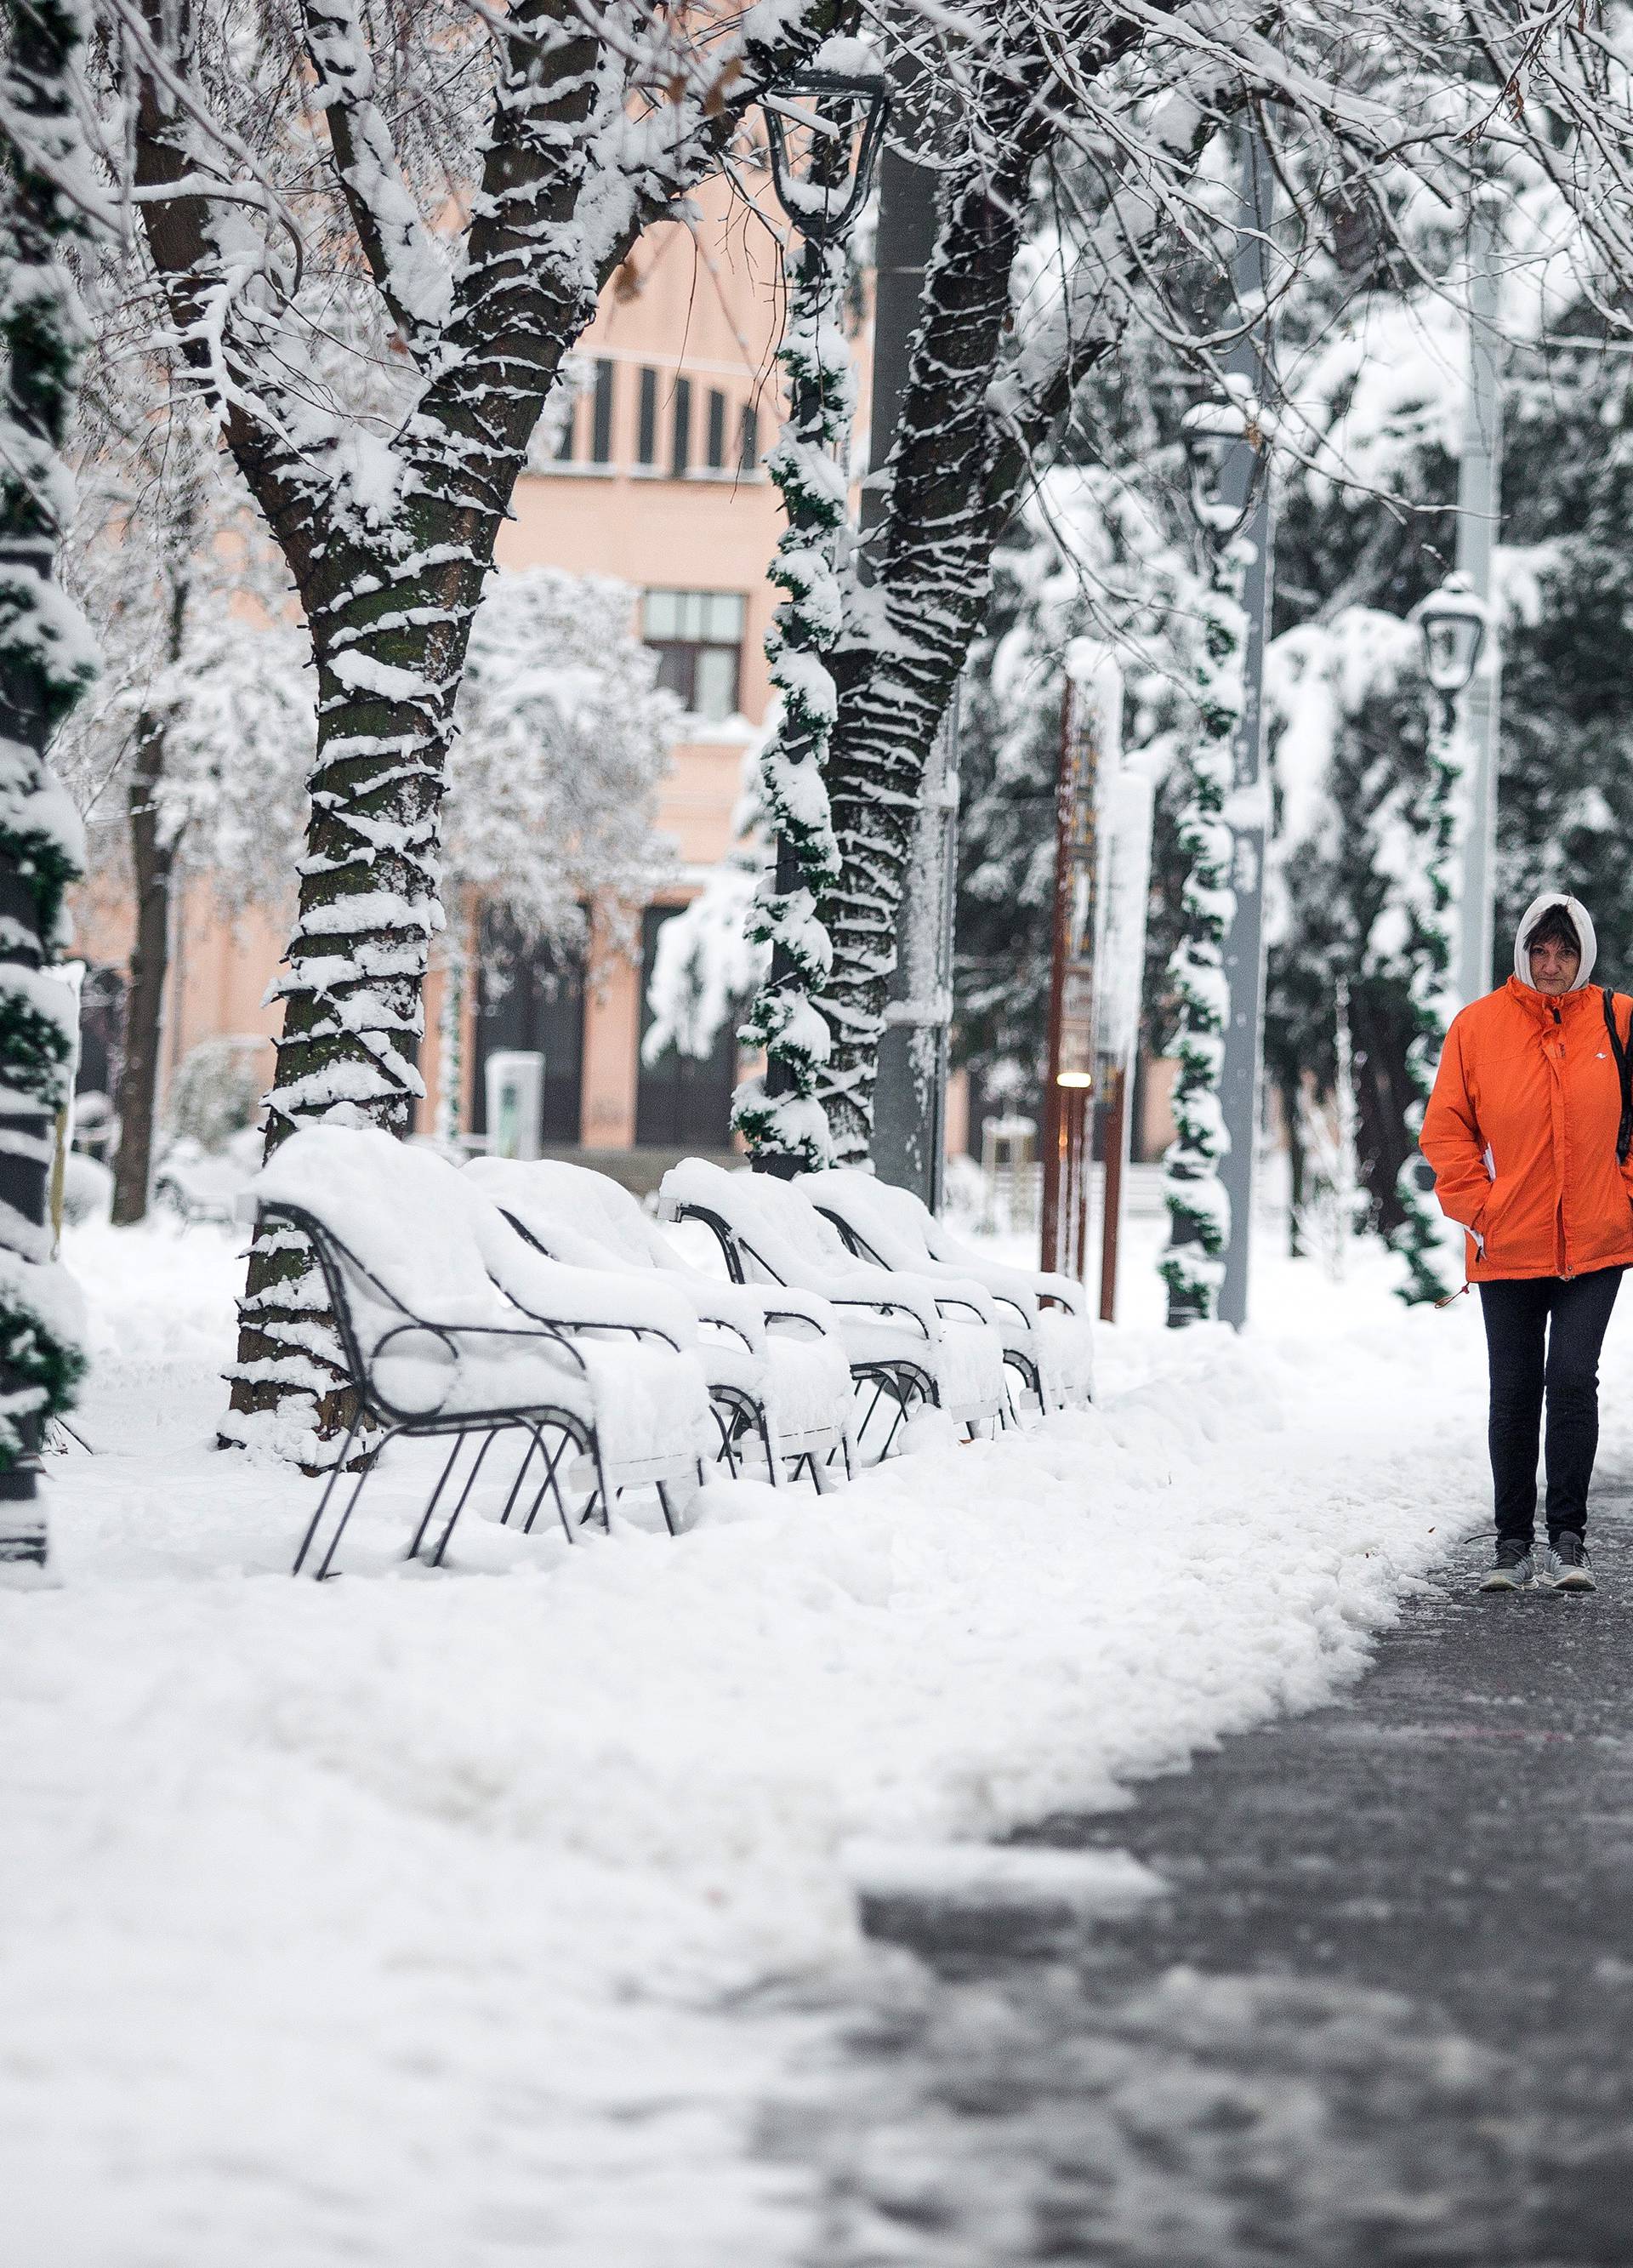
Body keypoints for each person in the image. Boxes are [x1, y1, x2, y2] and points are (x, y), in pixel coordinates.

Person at [1420, 891, 1633, 1593]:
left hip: (1596, 1243)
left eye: (1565, 950)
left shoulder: (1621, 1021)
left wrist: (1625, 1192)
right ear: (1520, 951)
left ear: (1585, 954)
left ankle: (1568, 1541)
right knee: (1513, 1391)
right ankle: (1511, 1544)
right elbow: (1447, 1130)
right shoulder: (1476, 1028)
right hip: (1508, 1243)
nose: (1550, 964)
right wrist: (1480, 1208)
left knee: (1571, 1381)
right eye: (1539, 950)